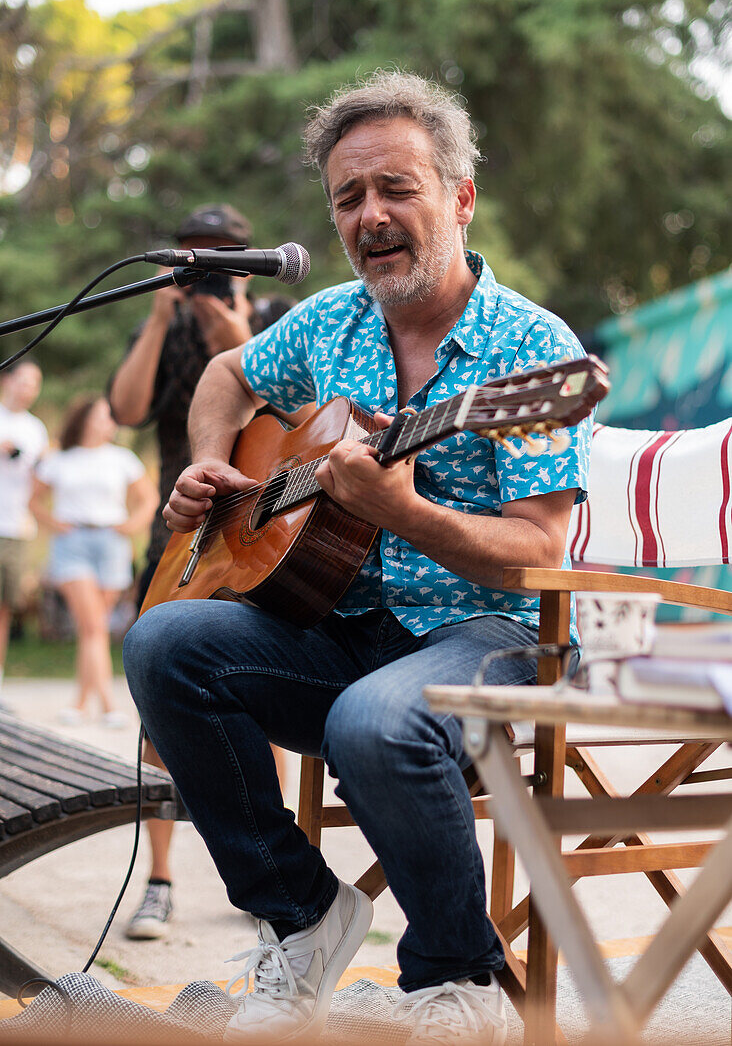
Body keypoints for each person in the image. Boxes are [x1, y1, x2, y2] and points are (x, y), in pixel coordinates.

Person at [123, 70, 592, 1045]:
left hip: (490, 630)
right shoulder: (327, 321)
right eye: (348, 197)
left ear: (460, 198)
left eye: (397, 187)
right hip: (334, 622)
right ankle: (302, 915)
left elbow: (538, 552)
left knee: (370, 719)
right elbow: (224, 372)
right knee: (165, 639)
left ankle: (458, 973)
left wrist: (402, 511)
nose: (370, 213)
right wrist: (213, 460)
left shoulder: (530, 352)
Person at [109, 205, 297, 940]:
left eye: (225, 256)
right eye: (200, 257)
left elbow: (302, 417)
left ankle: (276, 874)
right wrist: (158, 318)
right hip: (183, 530)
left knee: (266, 695)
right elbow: (124, 408)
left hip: (262, 532)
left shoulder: (278, 314)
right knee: (160, 701)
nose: (212, 270)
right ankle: (159, 878)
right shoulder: (163, 321)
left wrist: (237, 336)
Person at [30, 396, 157, 726]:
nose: (111, 422)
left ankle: (80, 702)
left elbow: (149, 499)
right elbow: (34, 500)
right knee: (93, 626)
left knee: (94, 629)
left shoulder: (122, 459)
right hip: (73, 544)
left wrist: (131, 526)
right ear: (85, 419)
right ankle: (108, 705)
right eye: (105, 415)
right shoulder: (60, 459)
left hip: (111, 543)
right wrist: (54, 524)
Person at [0, 361, 48, 701]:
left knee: (4, 606)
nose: (28, 388)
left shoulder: (36, 429)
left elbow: (41, 480)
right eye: (23, 381)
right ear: (7, 380)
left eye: (36, 383)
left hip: (15, 527)